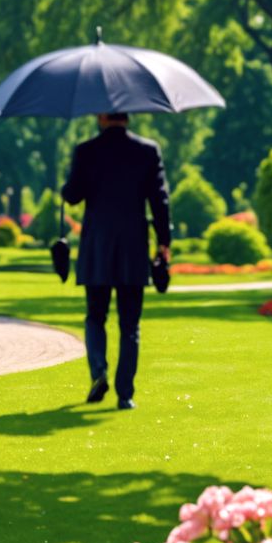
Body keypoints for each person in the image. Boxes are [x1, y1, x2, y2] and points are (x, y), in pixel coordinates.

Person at [61, 110, 170, 410]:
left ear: (100, 116)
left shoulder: (86, 151)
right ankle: (125, 394)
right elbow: (160, 200)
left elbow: (72, 196)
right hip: (133, 244)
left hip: (97, 244)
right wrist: (164, 243)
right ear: (128, 115)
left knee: (95, 315)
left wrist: (66, 184)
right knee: (129, 324)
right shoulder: (147, 151)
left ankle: (99, 371)